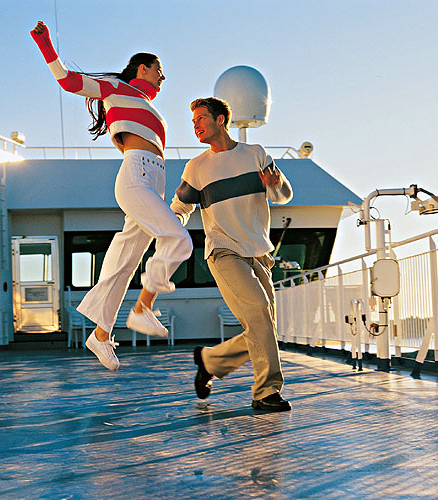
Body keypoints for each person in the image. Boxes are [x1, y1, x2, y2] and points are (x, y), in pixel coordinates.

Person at [31, 21, 192, 371]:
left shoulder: (147, 105)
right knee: (179, 240)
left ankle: (101, 335)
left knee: (124, 262)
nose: (163, 78)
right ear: (142, 68)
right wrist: (46, 46)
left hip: (153, 180)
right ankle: (143, 307)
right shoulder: (116, 87)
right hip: (137, 175)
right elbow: (68, 81)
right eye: (159, 70)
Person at [170, 97, 293, 412]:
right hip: (223, 250)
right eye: (193, 121)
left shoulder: (255, 154)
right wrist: (167, 225)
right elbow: (181, 206)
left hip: (259, 252)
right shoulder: (197, 167)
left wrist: (275, 183)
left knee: (262, 325)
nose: (195, 125)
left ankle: (210, 361)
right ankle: (266, 392)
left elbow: (283, 195)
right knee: (260, 315)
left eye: (200, 118)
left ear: (220, 119)